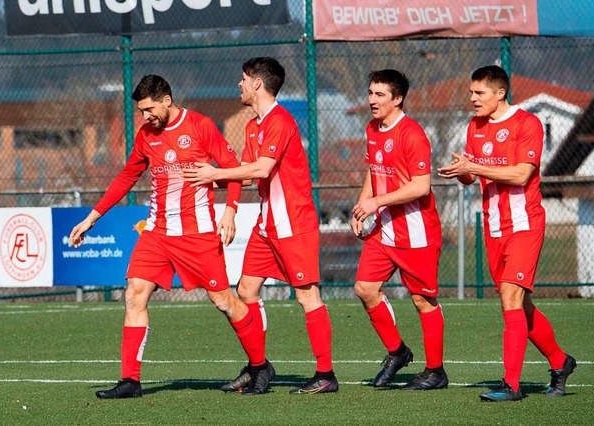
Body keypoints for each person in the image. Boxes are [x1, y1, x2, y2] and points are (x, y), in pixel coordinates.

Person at [70, 75, 265, 399]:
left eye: (149, 109)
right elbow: (127, 176)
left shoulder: (201, 126)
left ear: (167, 100)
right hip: (157, 232)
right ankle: (130, 381)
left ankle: (259, 366)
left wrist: (229, 211)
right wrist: (92, 217)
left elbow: (232, 170)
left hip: (198, 234)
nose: (145, 117)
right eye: (141, 111)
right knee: (134, 293)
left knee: (224, 301)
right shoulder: (146, 135)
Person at [183, 57, 338, 395]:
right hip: (267, 224)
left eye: (243, 79)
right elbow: (246, 170)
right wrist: (225, 202)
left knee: (307, 295)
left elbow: (262, 169)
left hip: (294, 223)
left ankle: (325, 374)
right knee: (246, 291)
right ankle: (259, 367)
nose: (238, 84)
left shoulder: (280, 120)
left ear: (257, 83)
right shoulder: (253, 125)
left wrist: (214, 174)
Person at [437, 65, 576, 402]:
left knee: (511, 298)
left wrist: (473, 167)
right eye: (471, 92)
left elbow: (520, 175)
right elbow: (473, 175)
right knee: (519, 304)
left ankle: (510, 385)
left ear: (500, 93)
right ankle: (560, 362)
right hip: (493, 227)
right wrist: (462, 172)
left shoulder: (527, 124)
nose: (472, 99)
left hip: (525, 224)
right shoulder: (475, 126)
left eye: (479, 93)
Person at [350, 69, 448, 391]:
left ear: (398, 98)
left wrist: (376, 202)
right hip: (383, 231)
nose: (371, 100)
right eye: (370, 93)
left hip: (416, 233)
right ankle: (398, 352)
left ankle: (435, 371)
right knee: (365, 289)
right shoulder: (372, 128)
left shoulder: (412, 135)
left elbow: (421, 186)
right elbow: (373, 170)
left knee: (422, 301)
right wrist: (361, 207)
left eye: (379, 95)